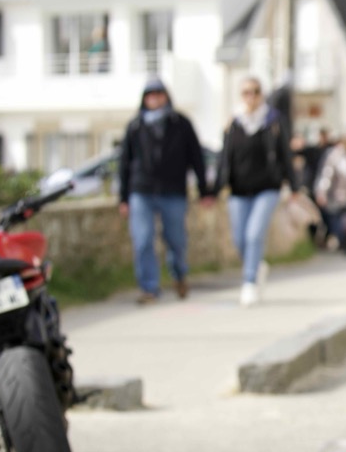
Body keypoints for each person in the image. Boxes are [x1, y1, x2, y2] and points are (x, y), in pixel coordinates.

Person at [117, 76, 215, 304]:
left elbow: (196, 158)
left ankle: (179, 275)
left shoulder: (181, 123)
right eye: (150, 95)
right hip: (141, 190)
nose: (154, 98)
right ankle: (148, 287)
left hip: (173, 190)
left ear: (166, 96)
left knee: (176, 240)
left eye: (158, 94)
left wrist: (204, 191)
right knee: (142, 240)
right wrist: (123, 198)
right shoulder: (135, 126)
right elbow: (124, 163)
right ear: (144, 99)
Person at [216, 76, 298, 307]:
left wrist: (293, 185)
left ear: (261, 94)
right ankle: (256, 265)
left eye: (255, 91)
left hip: (267, 188)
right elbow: (224, 157)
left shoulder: (273, 120)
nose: (250, 97)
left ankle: (249, 282)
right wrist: (216, 187)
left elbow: (285, 154)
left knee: (254, 234)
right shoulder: (234, 122)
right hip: (238, 190)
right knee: (239, 238)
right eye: (246, 92)